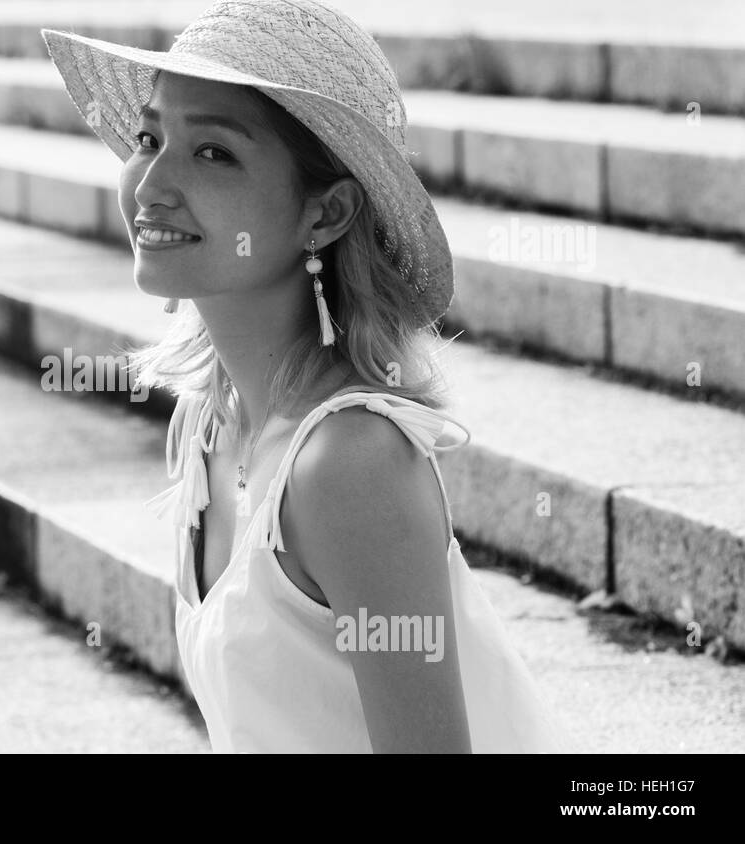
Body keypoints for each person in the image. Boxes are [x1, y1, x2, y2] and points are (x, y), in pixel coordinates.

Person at [42, 0, 574, 752]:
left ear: (325, 214)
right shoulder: (207, 424)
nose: (152, 184)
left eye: (214, 153)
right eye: (149, 137)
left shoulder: (351, 465)